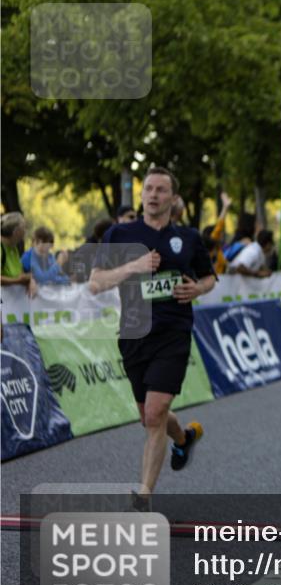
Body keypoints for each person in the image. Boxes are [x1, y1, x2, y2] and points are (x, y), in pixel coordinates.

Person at [89, 166, 217, 507]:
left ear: (173, 198)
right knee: (149, 415)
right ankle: (185, 437)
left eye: (161, 190)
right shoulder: (119, 234)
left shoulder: (189, 238)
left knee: (157, 411)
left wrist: (196, 289)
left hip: (173, 331)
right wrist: (134, 266)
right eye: (148, 189)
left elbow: (209, 278)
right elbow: (96, 282)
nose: (153, 195)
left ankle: (144, 493)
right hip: (133, 333)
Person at [21, 226, 70, 290]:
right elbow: (42, 279)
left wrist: (68, 279)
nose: (49, 249)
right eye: (47, 245)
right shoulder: (28, 257)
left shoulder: (49, 256)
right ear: (37, 242)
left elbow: (54, 277)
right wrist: (58, 263)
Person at [1, 212, 31, 290]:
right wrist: (17, 281)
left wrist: (29, 280)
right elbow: (18, 279)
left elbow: (20, 274)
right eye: (24, 227)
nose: (25, 231)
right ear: (15, 231)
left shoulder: (13, 248)